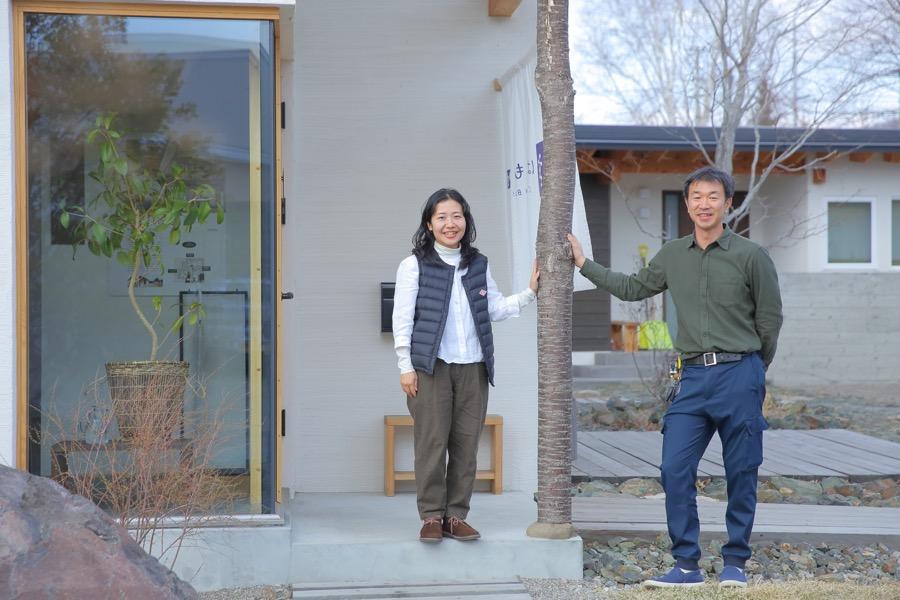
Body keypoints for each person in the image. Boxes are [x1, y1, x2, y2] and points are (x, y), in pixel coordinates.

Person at [568, 166, 783, 588]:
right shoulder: (672, 255)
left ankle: (735, 562)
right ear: (687, 205)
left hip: (741, 373)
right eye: (696, 197)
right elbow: (632, 288)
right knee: (673, 468)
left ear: (728, 203)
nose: (704, 204)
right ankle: (686, 564)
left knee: (742, 470)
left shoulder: (751, 255)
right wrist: (584, 264)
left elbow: (770, 320)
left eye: (713, 196)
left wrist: (756, 370)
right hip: (692, 379)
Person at [392, 188, 539, 543]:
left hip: (473, 367)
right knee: (431, 443)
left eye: (456, 216)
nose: (450, 223)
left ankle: (455, 516)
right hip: (430, 367)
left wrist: (531, 292)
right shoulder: (413, 265)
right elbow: (403, 319)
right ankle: (430, 517)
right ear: (429, 224)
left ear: (466, 220)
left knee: (465, 445)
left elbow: (495, 308)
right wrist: (405, 365)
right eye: (441, 217)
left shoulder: (477, 264)